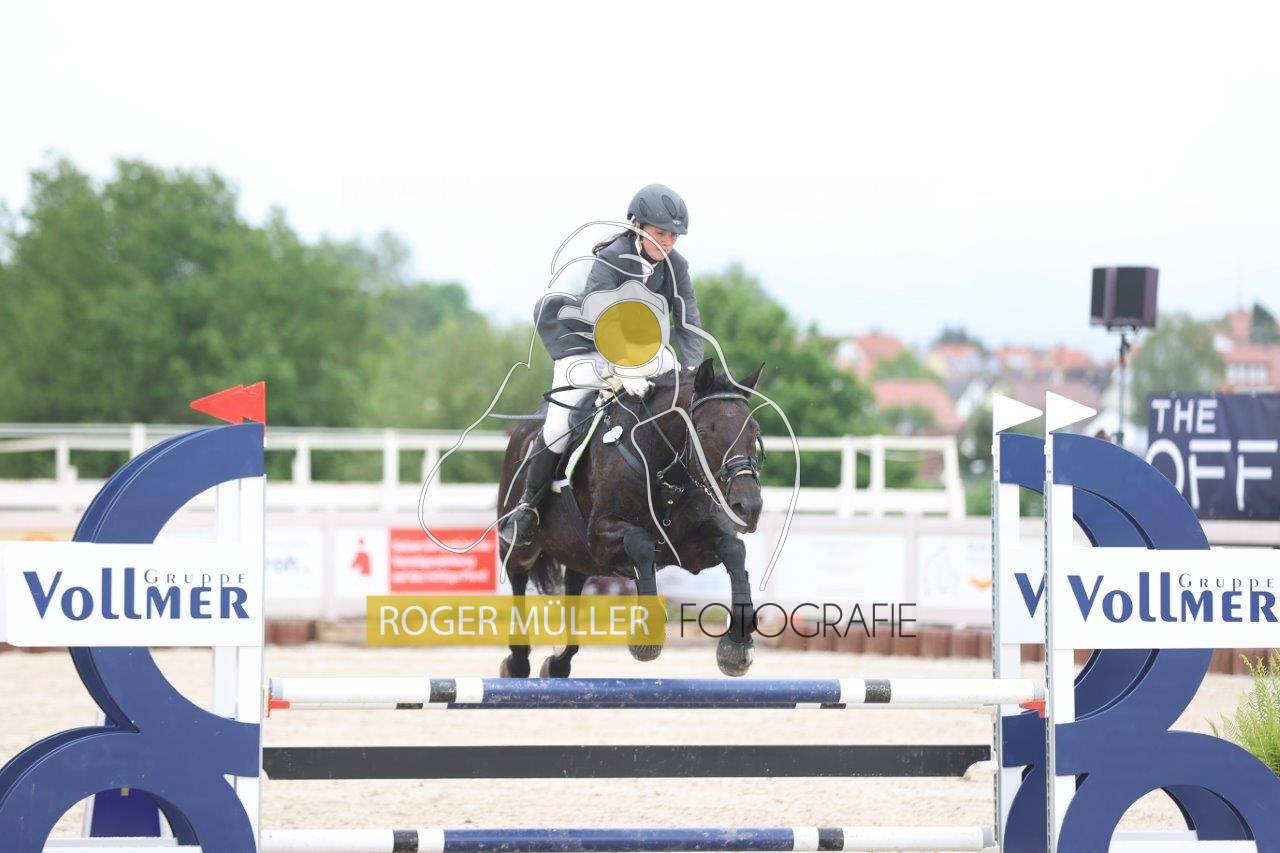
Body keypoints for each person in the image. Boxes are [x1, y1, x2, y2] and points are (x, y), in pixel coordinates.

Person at [499, 183, 705, 548]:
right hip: (588, 346)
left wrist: (692, 374)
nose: (668, 243)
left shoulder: (677, 266)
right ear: (637, 226)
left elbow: (688, 323)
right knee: (560, 422)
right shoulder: (611, 257)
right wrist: (623, 367)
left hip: (643, 350)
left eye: (673, 236)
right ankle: (528, 507)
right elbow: (601, 318)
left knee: (675, 395)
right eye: (661, 234)